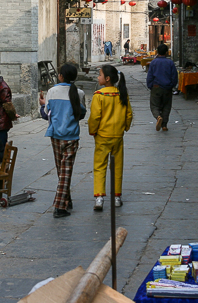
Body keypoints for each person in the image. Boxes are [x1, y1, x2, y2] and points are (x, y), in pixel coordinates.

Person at [39, 64, 87, 218]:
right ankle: (64, 202)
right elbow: (81, 114)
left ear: (60, 76)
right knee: (65, 171)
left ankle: (61, 204)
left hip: (55, 135)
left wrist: (42, 105)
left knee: (62, 171)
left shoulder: (52, 92)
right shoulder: (79, 93)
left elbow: (46, 115)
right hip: (71, 136)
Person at [88, 64, 132, 211]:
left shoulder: (99, 96)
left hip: (102, 136)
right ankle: (117, 197)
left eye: (99, 75)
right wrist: (124, 127)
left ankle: (99, 198)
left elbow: (94, 117)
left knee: (100, 166)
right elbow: (129, 114)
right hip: (118, 136)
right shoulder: (122, 94)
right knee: (117, 166)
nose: (98, 77)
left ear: (107, 79)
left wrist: (93, 131)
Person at [146, 44, 179, 132]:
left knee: (154, 105)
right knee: (166, 106)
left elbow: (150, 76)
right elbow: (174, 76)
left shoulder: (153, 62)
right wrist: (172, 85)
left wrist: (150, 85)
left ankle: (158, 117)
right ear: (166, 52)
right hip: (167, 88)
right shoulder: (170, 62)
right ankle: (164, 125)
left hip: (156, 87)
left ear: (157, 52)